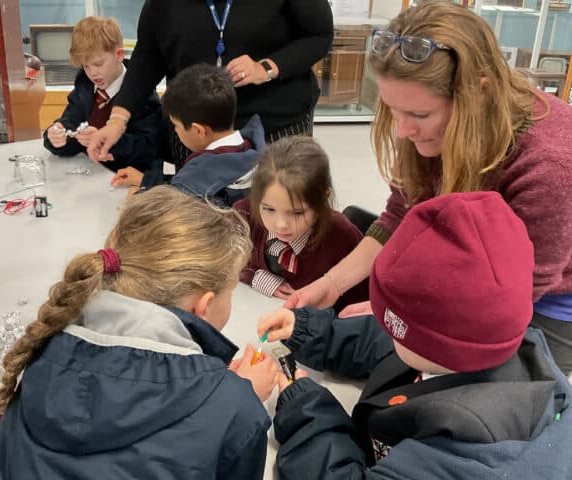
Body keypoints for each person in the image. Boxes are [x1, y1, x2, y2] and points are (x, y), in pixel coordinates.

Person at [286, 0, 572, 375]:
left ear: (478, 94)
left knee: (407, 360)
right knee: (359, 243)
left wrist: (403, 315)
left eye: (419, 115)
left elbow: (517, 290)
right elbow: (399, 213)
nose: (403, 130)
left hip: (539, 305)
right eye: (393, 110)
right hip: (469, 258)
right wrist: (332, 284)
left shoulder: (550, 163)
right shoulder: (426, 123)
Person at [259, 191, 572, 479]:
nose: (382, 326)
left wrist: (305, 410)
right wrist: (312, 331)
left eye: (388, 320)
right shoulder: (489, 343)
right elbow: (396, 344)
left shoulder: (468, 456)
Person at [0, 186, 279, 479]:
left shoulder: (45, 348)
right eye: (230, 293)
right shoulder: (236, 410)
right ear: (204, 305)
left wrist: (225, 393)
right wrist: (238, 399)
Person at [86, 0, 333, 168]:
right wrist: (117, 121)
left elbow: (318, 35)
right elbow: (148, 57)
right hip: (195, 129)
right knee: (201, 218)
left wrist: (266, 67)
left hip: (276, 124)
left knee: (278, 219)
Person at [234, 136, 368, 310]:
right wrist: (255, 277)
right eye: (268, 209)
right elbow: (225, 256)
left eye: (297, 213)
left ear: (322, 198)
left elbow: (363, 302)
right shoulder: (244, 214)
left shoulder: (342, 236)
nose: (281, 224)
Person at [111, 63, 266, 206]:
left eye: (176, 126)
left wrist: (136, 200)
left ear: (198, 130)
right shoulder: (258, 152)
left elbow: (173, 207)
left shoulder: (194, 179)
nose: (176, 131)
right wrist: (147, 180)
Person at [43, 16, 162, 173]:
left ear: (119, 55)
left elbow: (150, 148)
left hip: (126, 181)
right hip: (90, 176)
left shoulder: (142, 93)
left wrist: (106, 142)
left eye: (98, 64)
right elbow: (70, 124)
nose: (92, 73)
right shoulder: (85, 86)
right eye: (86, 66)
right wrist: (56, 137)